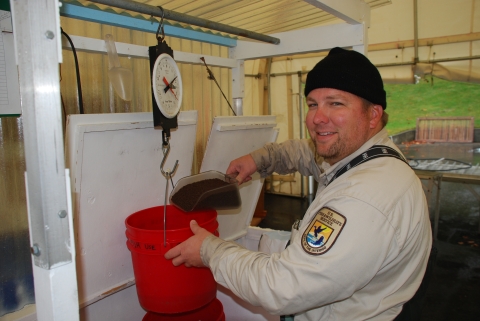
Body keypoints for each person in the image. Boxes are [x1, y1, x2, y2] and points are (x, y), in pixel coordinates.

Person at [165, 47, 432, 320]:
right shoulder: (363, 155)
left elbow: (281, 287)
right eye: (313, 104)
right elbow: (304, 153)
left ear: (373, 114)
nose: (317, 117)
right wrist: (259, 159)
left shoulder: (363, 199)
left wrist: (210, 251)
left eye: (335, 103)